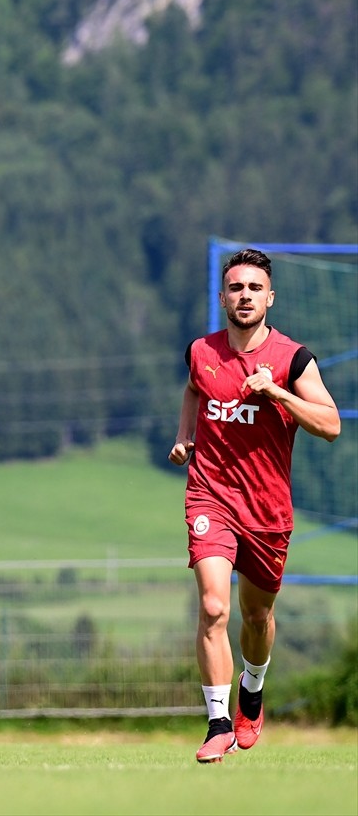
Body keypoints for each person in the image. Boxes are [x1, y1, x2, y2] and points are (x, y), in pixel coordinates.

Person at [169, 248, 340, 763]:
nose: (244, 296)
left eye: (253, 288)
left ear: (270, 297)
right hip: (210, 496)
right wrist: (183, 437)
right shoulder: (201, 350)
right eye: (235, 288)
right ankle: (218, 721)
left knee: (257, 615)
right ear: (222, 297)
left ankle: (253, 685)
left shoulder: (293, 359)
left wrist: (279, 395)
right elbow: (194, 391)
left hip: (267, 509)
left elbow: (331, 425)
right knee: (214, 607)